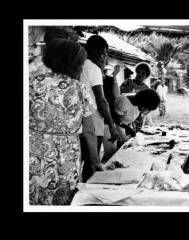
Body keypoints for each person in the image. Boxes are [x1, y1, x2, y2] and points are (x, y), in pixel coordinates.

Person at [29, 39, 102, 205]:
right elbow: (90, 131)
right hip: (67, 155)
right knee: (63, 198)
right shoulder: (79, 89)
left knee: (35, 193)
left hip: (35, 150)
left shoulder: (32, 83)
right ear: (75, 64)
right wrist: (95, 162)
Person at [79, 35, 121, 181]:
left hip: (78, 119)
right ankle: (87, 196)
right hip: (93, 119)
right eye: (103, 53)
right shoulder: (93, 68)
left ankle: (80, 191)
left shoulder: (79, 65)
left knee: (82, 160)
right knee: (92, 163)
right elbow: (101, 100)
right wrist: (111, 125)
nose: (105, 58)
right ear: (92, 51)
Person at [120, 62, 152, 132]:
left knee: (134, 140)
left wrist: (143, 113)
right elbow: (119, 97)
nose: (140, 75)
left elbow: (149, 106)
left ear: (146, 76)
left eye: (143, 73)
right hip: (124, 117)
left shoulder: (147, 89)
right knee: (122, 137)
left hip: (138, 120)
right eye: (139, 72)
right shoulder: (127, 83)